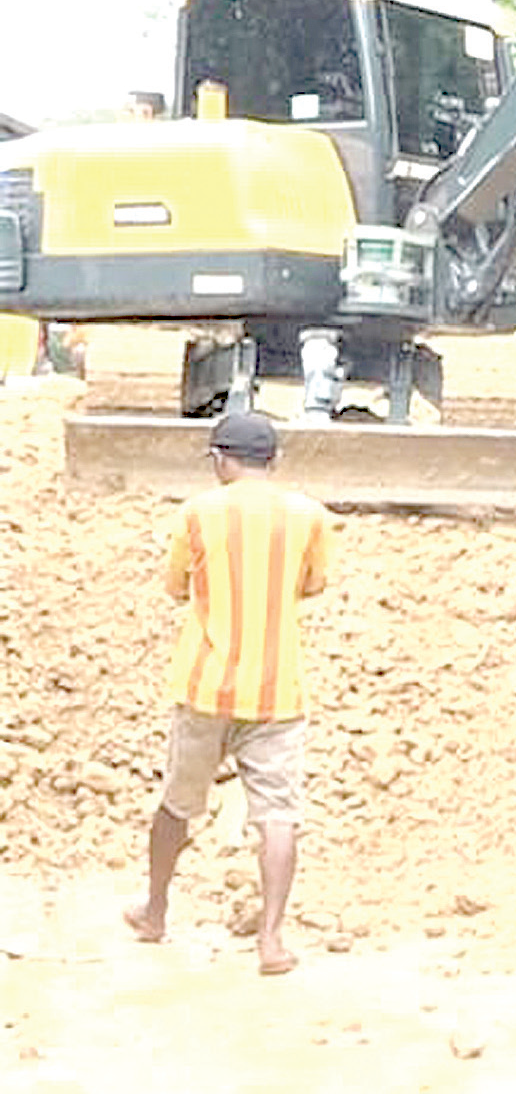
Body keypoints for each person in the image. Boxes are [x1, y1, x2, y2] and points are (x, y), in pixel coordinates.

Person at [122, 412, 335, 976]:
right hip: (278, 691)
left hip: (204, 686)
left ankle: (156, 911)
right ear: (274, 461)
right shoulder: (309, 515)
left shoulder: (196, 514)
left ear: (221, 458)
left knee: (177, 803)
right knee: (278, 816)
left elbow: (174, 588)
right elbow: (313, 585)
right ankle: (270, 941)